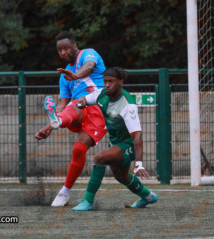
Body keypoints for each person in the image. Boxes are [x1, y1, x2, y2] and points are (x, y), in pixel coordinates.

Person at [35, 31, 107, 207]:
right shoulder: (63, 76)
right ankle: (64, 193)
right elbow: (61, 104)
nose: (63, 53)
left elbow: (89, 66)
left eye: (66, 48)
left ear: (75, 46)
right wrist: (49, 127)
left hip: (98, 106)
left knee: (78, 148)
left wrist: (75, 75)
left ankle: (59, 121)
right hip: (76, 109)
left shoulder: (87, 54)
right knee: (73, 109)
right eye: (59, 50)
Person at [72, 67, 158, 211]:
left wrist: (139, 164)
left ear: (121, 82)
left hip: (128, 145)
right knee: (122, 177)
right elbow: (84, 99)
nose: (107, 84)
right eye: (105, 81)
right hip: (115, 143)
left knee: (99, 158)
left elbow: (137, 136)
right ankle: (148, 196)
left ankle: (88, 201)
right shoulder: (101, 94)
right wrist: (80, 103)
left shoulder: (128, 105)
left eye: (111, 81)